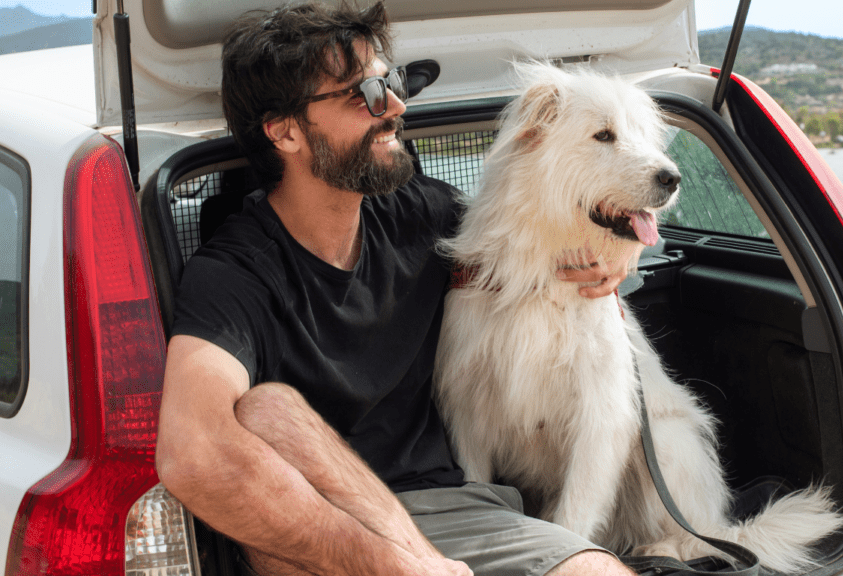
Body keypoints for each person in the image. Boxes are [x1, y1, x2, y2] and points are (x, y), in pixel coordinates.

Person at [155, 3, 639, 576]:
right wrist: (402, 566)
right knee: (269, 412)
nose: (396, 108)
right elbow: (192, 453)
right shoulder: (234, 273)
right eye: (363, 95)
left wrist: (613, 259)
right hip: (316, 527)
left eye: (391, 83)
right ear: (284, 131)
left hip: (454, 507)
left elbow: (533, 234)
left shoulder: (422, 215)